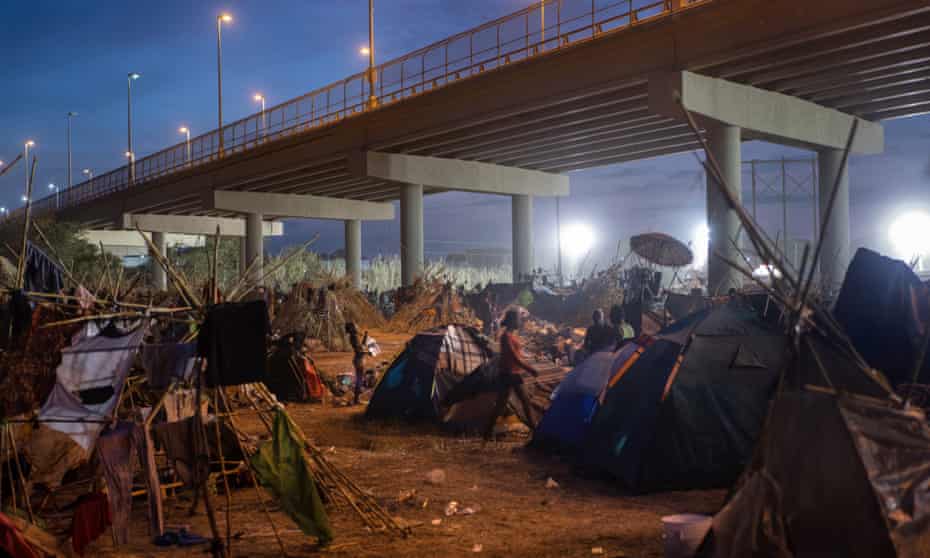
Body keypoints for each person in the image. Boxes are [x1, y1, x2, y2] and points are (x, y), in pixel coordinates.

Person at [484, 309, 539, 441]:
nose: (520, 321)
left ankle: (487, 432)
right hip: (510, 373)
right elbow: (514, 356)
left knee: (501, 404)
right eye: (519, 319)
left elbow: (517, 354)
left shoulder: (510, 336)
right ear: (513, 321)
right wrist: (530, 368)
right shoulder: (506, 336)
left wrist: (529, 359)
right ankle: (536, 430)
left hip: (509, 373)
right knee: (525, 401)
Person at [345, 322, 369, 405]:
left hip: (358, 360)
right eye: (355, 326)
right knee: (359, 380)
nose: (357, 327)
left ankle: (357, 398)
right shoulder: (354, 337)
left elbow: (361, 346)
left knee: (360, 379)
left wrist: (365, 336)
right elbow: (359, 351)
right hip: (359, 360)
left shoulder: (355, 337)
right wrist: (368, 352)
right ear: (352, 329)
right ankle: (356, 399)